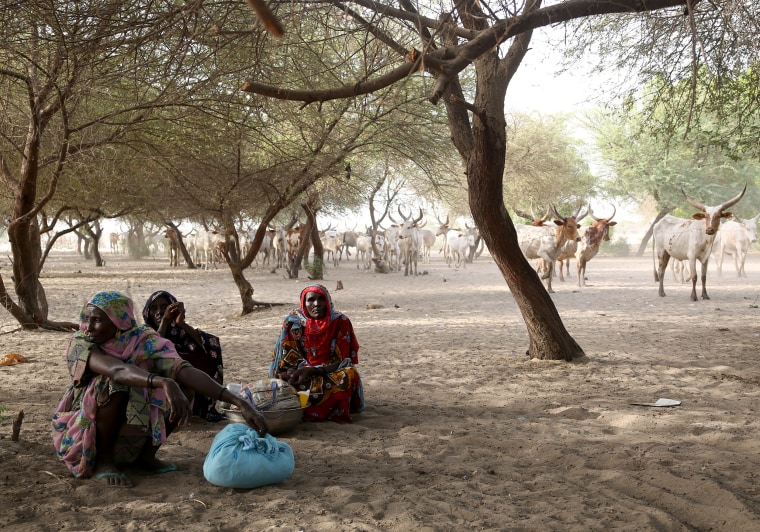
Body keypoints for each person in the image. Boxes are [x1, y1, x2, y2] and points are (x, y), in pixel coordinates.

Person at [51, 291, 267, 488]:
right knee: (112, 384)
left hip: (125, 417)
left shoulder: (143, 339)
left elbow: (184, 370)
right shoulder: (80, 342)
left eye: (97, 320)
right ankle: (104, 463)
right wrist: (163, 382)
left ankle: (146, 456)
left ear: (119, 321)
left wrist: (240, 402)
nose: (87, 326)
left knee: (184, 387)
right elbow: (117, 370)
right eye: (86, 318)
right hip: (84, 424)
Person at [269, 283, 364, 422]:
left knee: (348, 375)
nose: (317, 304)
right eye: (311, 300)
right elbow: (289, 356)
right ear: (303, 303)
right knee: (281, 382)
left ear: (327, 301)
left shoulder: (340, 322)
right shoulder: (293, 322)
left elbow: (343, 361)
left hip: (329, 372)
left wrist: (314, 371)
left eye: (321, 299)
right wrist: (291, 372)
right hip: (301, 372)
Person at [142, 290, 224, 421]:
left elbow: (209, 349)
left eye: (165, 307)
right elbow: (153, 350)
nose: (159, 312)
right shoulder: (144, 334)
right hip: (159, 388)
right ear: (147, 312)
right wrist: (164, 322)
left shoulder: (182, 333)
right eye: (154, 308)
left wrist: (182, 324)